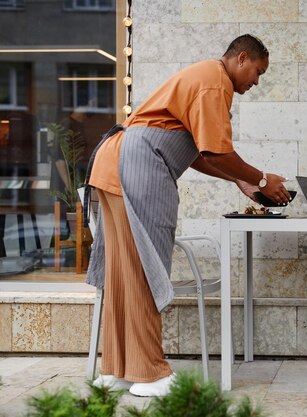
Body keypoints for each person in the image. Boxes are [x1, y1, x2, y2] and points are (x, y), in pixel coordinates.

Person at [85, 34, 292, 396]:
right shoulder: (216, 83)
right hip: (141, 165)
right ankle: (149, 373)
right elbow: (214, 151)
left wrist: (240, 183)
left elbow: (199, 152)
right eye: (258, 72)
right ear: (241, 59)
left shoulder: (205, 77)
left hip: (115, 163)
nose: (257, 81)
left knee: (125, 272)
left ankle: (117, 369)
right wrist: (260, 178)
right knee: (145, 269)